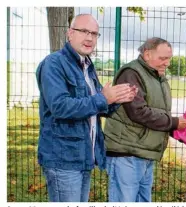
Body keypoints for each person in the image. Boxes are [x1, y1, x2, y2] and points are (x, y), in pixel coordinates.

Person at [35, 14, 137, 202]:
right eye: (84, 31)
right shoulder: (53, 64)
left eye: (95, 34)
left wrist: (117, 99)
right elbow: (60, 107)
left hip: (85, 156)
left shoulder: (88, 66)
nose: (90, 38)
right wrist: (103, 98)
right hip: (63, 158)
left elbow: (97, 107)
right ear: (70, 34)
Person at [103, 37, 186, 202]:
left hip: (143, 151)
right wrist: (173, 122)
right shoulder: (131, 74)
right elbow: (137, 112)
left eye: (169, 58)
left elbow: (157, 110)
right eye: (163, 58)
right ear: (147, 54)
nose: (167, 63)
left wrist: (175, 129)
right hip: (127, 152)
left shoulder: (157, 76)